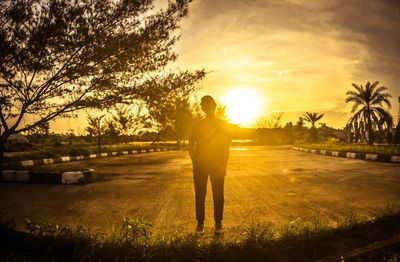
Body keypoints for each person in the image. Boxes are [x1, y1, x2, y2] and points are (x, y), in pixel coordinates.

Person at [189, 95, 231, 235]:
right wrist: (194, 159)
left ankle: (218, 223)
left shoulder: (222, 125)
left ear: (214, 106)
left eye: (209, 104)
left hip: (217, 164)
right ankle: (200, 224)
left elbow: (226, 147)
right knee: (200, 195)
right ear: (202, 108)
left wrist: (223, 165)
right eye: (204, 105)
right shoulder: (198, 125)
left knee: (218, 195)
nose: (206, 107)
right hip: (200, 165)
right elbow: (191, 143)